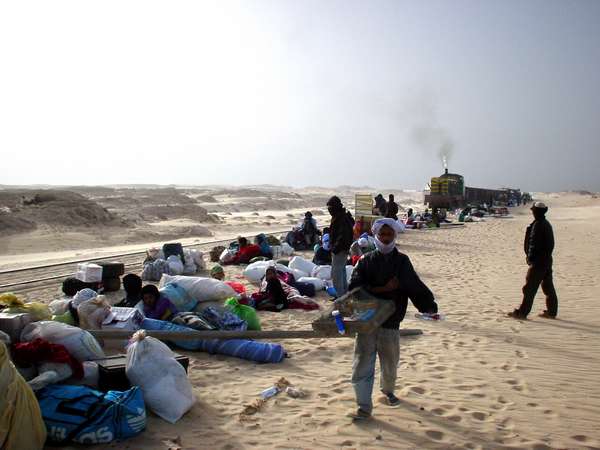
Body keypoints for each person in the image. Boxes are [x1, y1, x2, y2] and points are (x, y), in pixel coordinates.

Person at [347, 218, 438, 420]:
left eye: (390, 235)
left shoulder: (402, 261)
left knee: (390, 362)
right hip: (367, 323)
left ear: (394, 236)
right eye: (382, 235)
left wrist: (429, 306)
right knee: (362, 364)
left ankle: (387, 391)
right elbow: (354, 289)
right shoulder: (366, 260)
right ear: (376, 236)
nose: (386, 238)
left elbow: (414, 286)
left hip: (391, 321)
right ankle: (363, 407)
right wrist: (382, 289)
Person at [509, 202, 558, 319]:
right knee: (548, 287)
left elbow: (533, 244)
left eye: (533, 210)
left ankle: (522, 313)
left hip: (539, 262)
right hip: (546, 260)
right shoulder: (545, 224)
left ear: (536, 212)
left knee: (529, 288)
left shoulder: (539, 225)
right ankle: (551, 312)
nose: (532, 212)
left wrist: (531, 258)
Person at [327, 196, 354, 297]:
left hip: (340, 250)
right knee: (341, 273)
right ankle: (344, 294)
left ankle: (341, 298)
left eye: (330, 207)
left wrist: (335, 248)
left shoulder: (341, 218)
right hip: (340, 249)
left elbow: (343, 235)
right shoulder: (339, 216)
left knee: (336, 275)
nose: (329, 210)